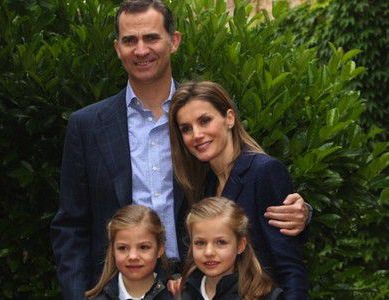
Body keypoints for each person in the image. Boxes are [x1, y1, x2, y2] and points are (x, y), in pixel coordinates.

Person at [51, 1, 310, 299]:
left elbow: (246, 186)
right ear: (117, 48)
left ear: (173, 41)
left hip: (202, 285)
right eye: (129, 40)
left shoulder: (195, 120)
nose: (141, 50)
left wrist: (302, 214)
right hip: (120, 288)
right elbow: (70, 226)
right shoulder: (87, 126)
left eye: (151, 37)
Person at [169, 81, 309, 299]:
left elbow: (290, 267)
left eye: (205, 121)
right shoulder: (202, 183)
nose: (196, 134)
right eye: (186, 128)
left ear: (230, 118)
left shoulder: (264, 172)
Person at [181, 197, 283, 300]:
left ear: (240, 245)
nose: (209, 252)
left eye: (221, 242)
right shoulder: (179, 294)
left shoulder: (266, 296)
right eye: (200, 243)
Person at [85, 205, 173, 300]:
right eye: (122, 248)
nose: (133, 256)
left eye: (143, 247)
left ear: (160, 249)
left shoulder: (177, 294)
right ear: (112, 251)